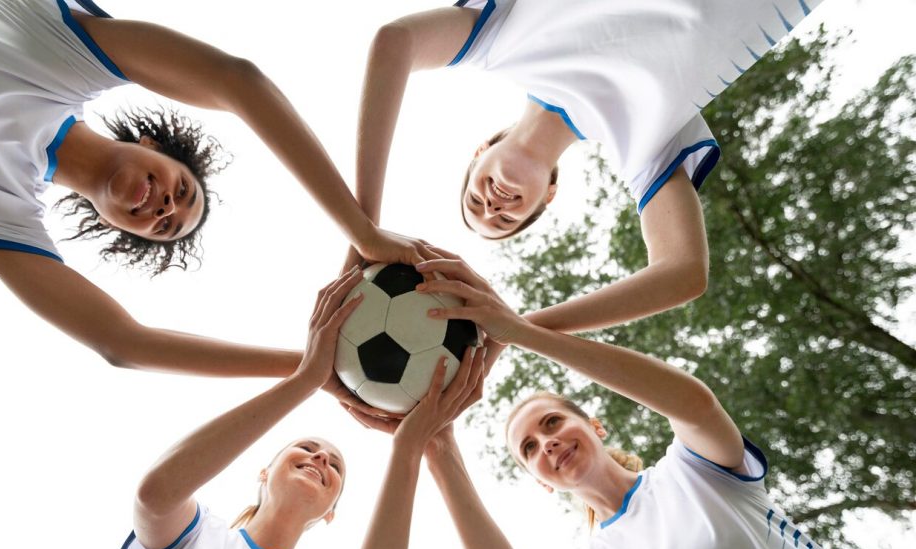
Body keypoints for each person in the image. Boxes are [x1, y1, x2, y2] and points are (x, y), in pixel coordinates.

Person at [409, 255, 914, 549]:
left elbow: (695, 406)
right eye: (530, 448)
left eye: (553, 421)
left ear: (596, 426)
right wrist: (439, 448)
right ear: (540, 482)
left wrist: (521, 332)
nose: (548, 442)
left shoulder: (695, 473)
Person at [0, 0, 434, 381]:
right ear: (152, 144)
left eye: (164, 224)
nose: (166, 206)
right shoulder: (59, 55)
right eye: (181, 190)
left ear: (113, 224)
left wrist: (315, 365)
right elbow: (238, 79)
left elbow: (122, 344)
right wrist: (360, 230)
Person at [58, 268, 486, 549]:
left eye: (335, 465)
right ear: (263, 474)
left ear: (331, 513)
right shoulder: (196, 539)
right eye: (306, 448)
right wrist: (306, 380)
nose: (320, 459)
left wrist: (407, 448)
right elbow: (155, 495)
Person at [350, 0, 825, 334]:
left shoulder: (495, 40)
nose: (492, 205)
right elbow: (684, 272)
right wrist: (516, 327)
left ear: (481, 151)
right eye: (505, 219)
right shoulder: (644, 145)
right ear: (547, 196)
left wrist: (363, 229)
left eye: (476, 198)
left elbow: (394, 42)